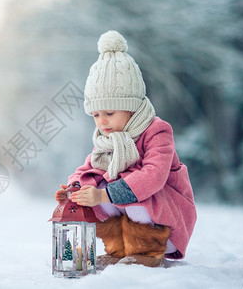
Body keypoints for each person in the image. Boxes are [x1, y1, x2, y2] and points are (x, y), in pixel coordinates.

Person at [55, 30, 197, 267]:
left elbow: (153, 176)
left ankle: (146, 253)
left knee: (127, 189)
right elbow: (88, 168)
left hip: (167, 224)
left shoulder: (158, 131)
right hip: (132, 220)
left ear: (131, 109)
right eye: (96, 114)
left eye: (109, 113)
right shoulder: (107, 138)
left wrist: (104, 195)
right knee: (97, 183)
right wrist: (75, 189)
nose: (102, 121)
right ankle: (119, 250)